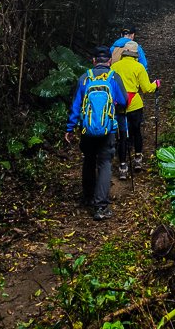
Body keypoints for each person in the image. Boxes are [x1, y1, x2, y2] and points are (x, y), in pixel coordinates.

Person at [64, 45, 127, 220]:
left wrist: (69, 128)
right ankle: (101, 207)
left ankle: (88, 197)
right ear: (109, 61)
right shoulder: (114, 78)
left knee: (89, 160)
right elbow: (123, 101)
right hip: (107, 130)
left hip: (87, 130)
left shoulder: (85, 78)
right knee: (105, 163)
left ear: (93, 61)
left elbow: (75, 106)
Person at [112, 40, 160, 177]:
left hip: (119, 106)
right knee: (136, 131)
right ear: (135, 54)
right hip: (135, 105)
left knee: (122, 135)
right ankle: (138, 158)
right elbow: (146, 89)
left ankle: (122, 166)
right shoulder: (139, 67)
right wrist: (156, 84)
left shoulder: (114, 67)